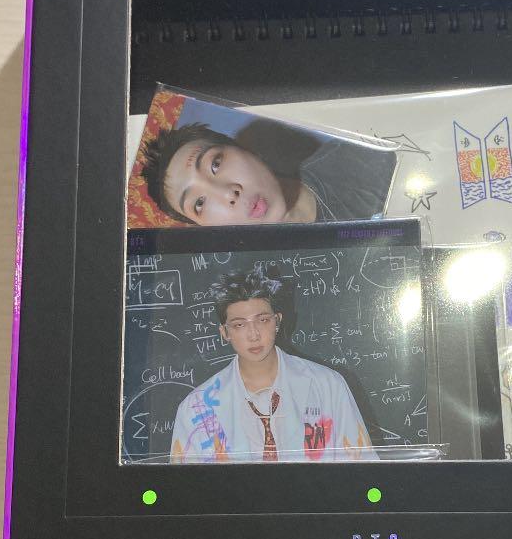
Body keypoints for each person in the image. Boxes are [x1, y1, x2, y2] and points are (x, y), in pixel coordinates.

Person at [169, 268, 378, 463]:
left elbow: (362, 468)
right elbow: (186, 484)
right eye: (239, 324)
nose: (253, 335)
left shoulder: (328, 385)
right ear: (225, 332)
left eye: (262, 320)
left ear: (277, 321)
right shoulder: (197, 407)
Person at [140, 122, 396, 227]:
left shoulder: (362, 157)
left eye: (215, 164)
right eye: (199, 203)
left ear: (247, 150)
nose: (228, 193)